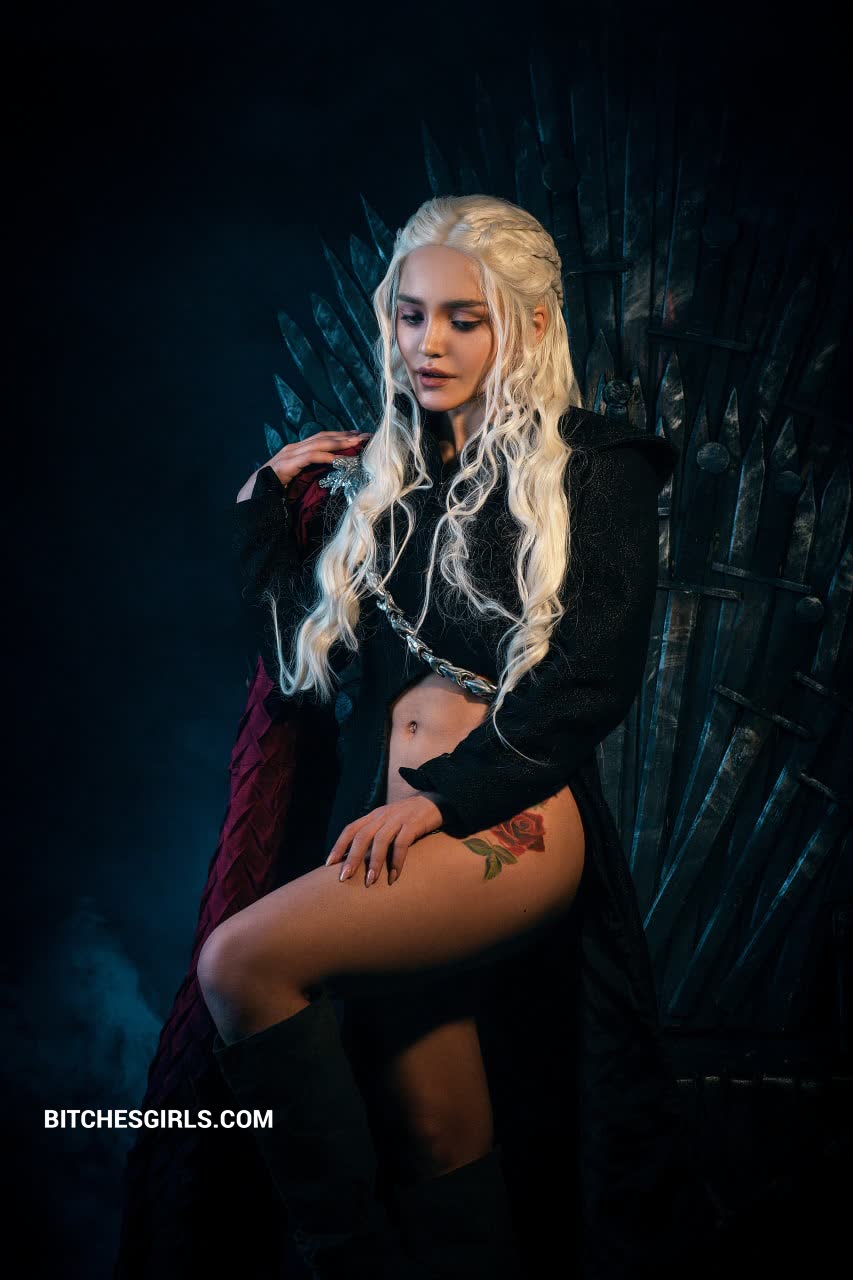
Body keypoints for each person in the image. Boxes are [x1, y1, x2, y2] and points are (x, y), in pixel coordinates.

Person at [196, 194, 721, 1280]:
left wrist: (439, 801)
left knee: (241, 964)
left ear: (528, 323)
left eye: (462, 318)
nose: (427, 343)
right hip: (395, 822)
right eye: (409, 315)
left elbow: (589, 678)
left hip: (500, 814)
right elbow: (303, 667)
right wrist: (262, 513)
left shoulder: (597, 466)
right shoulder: (385, 482)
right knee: (437, 1135)